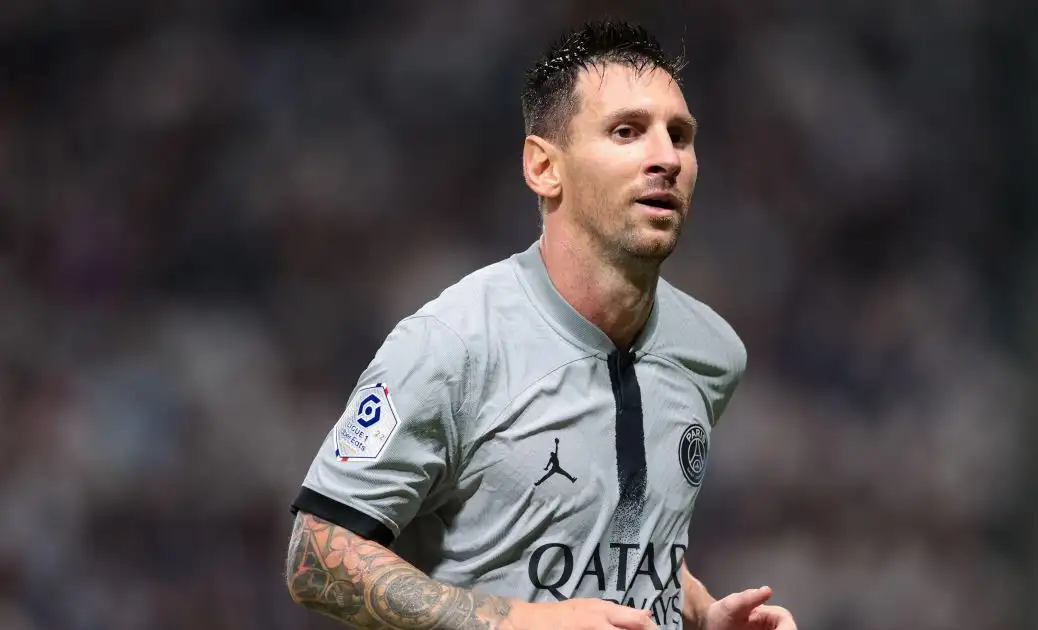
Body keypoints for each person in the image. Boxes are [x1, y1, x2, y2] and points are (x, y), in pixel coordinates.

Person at [285, 19, 797, 630]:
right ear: (543, 167)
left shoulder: (711, 353)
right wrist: (518, 621)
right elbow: (315, 556)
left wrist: (699, 612)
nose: (665, 158)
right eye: (627, 132)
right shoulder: (451, 345)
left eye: (680, 136)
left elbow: (620, 539)